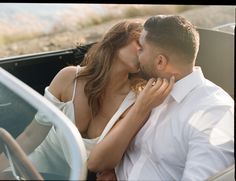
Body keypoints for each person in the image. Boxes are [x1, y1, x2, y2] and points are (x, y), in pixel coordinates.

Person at [0, 19, 175, 180]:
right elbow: (31, 136)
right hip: (37, 164)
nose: (143, 50)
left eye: (148, 48)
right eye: (139, 42)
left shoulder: (136, 101)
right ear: (117, 39)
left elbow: (110, 160)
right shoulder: (69, 78)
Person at [97, 15, 234, 181]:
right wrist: (118, 172)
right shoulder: (148, 93)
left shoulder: (213, 113)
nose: (137, 52)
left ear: (160, 62)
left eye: (142, 48)